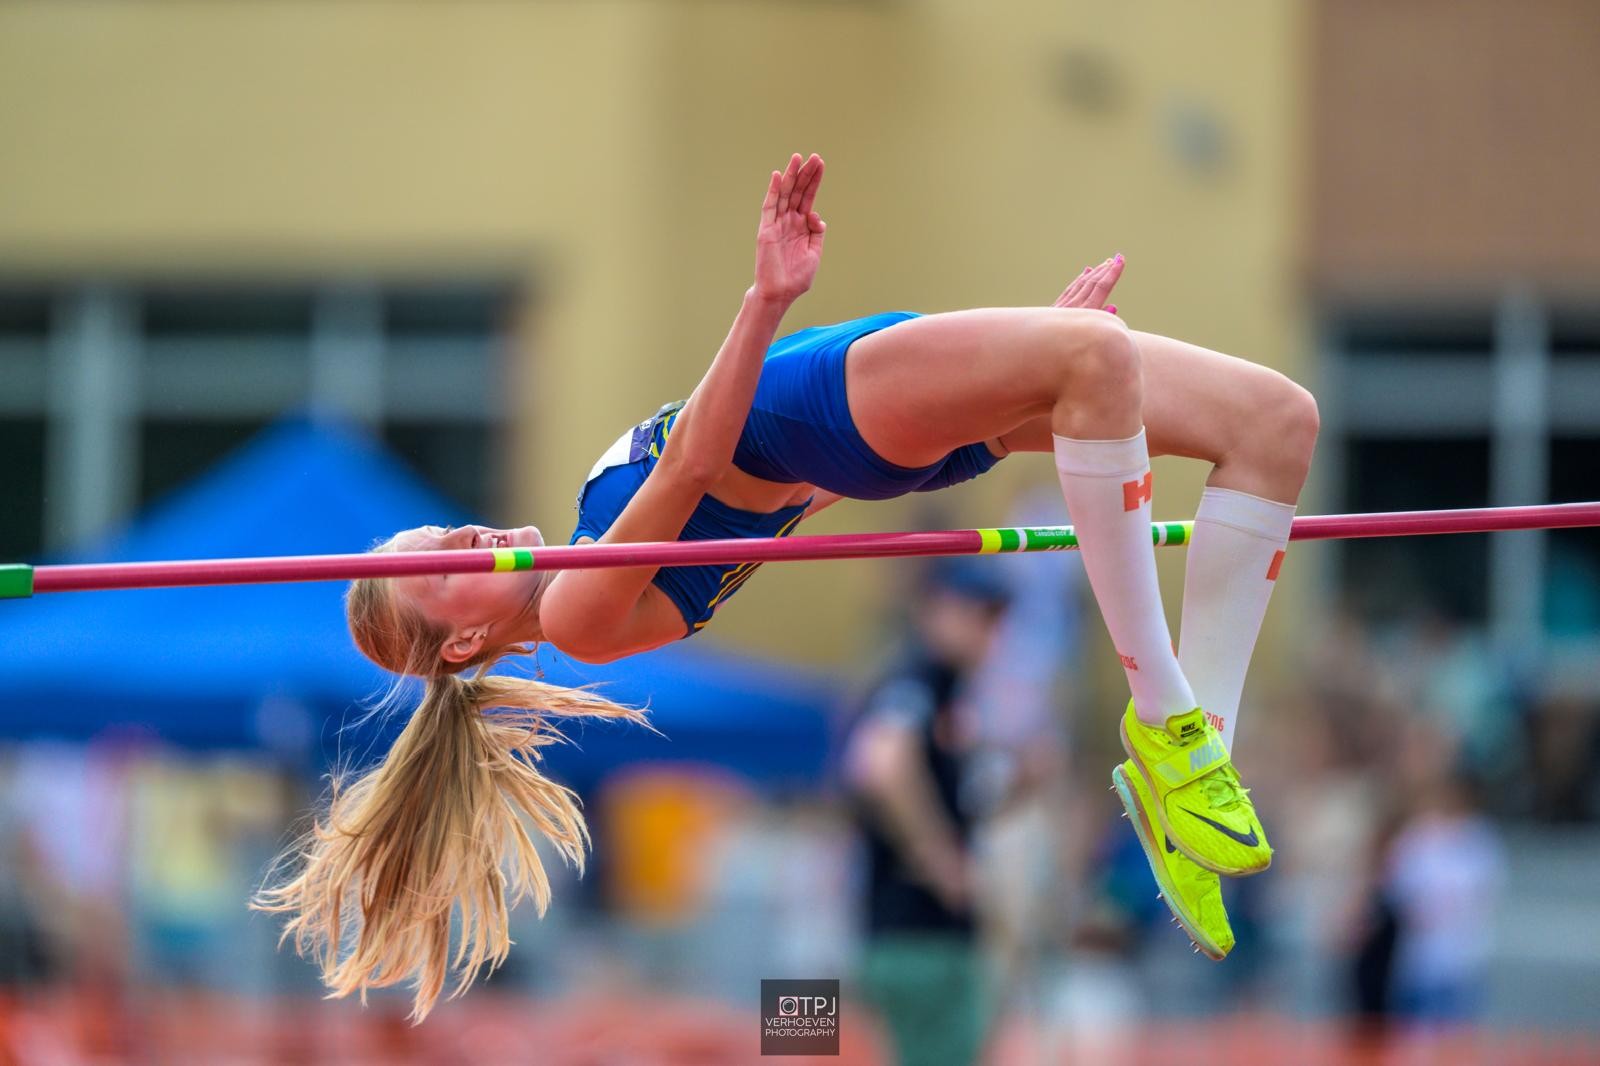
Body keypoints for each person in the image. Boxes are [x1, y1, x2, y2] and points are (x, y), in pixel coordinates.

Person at [255, 153, 1319, 1019]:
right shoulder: (578, 608)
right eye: (448, 563)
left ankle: (1196, 765)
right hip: (835, 402)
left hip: (864, 421)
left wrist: (1000, 389)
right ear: (458, 644)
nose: (470, 534)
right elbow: (692, 465)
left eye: (444, 530)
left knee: (1275, 423)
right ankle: (1165, 720)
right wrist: (765, 299)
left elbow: (774, 509)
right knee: (1097, 357)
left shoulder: (590, 560)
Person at [844, 560, 1010, 1066]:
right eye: (980, 614)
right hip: (918, 934)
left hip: (913, 935)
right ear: (937, 610)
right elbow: (880, 762)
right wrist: (939, 857)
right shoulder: (918, 679)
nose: (991, 633)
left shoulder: (941, 691)